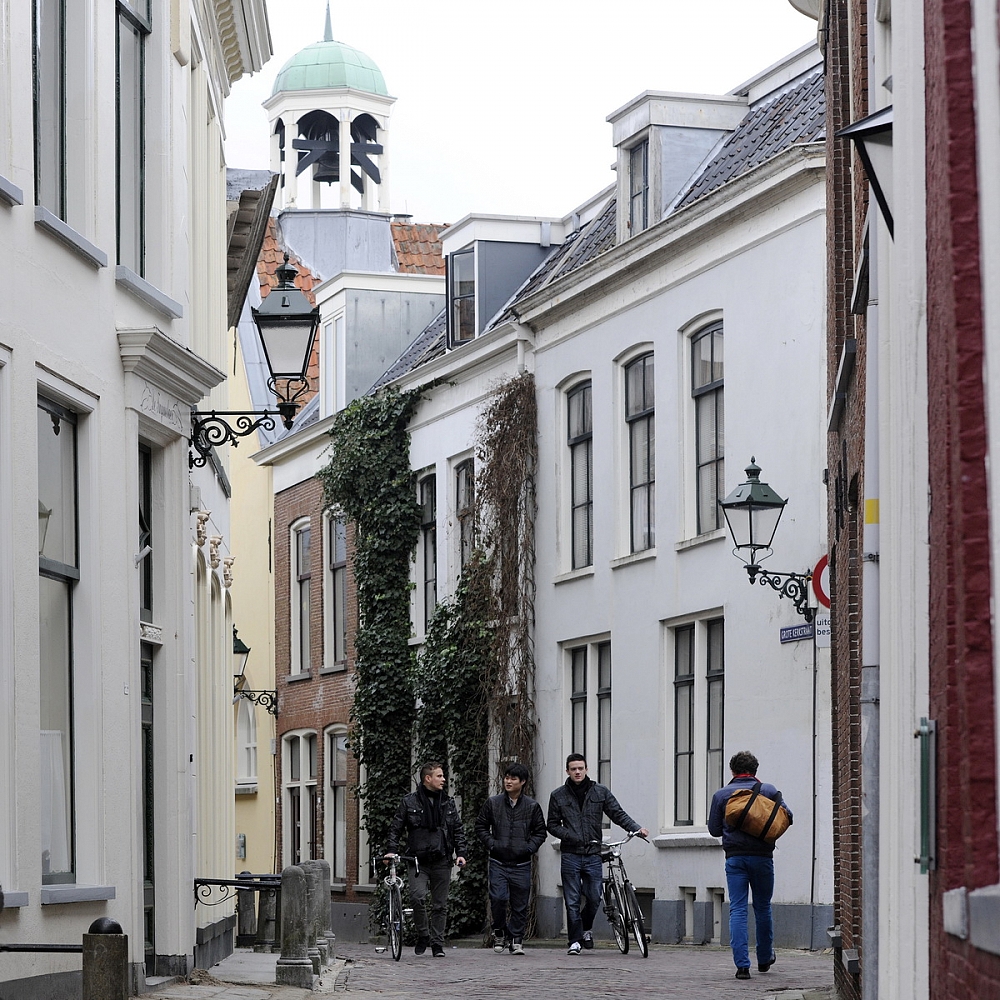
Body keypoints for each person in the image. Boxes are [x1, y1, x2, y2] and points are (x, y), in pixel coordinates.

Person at [547, 753, 649, 954]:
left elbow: (617, 813)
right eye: (573, 769)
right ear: (567, 771)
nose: (577, 772)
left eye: (581, 768)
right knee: (573, 899)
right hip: (570, 855)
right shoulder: (558, 795)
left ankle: (586, 928)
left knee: (594, 897)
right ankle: (575, 941)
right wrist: (570, 836)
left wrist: (637, 829)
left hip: (593, 853)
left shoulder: (600, 792)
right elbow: (551, 824)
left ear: (586, 769)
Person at [708, 750, 793, 980]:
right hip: (763, 858)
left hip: (735, 859)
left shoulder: (721, 795)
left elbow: (714, 830)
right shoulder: (768, 791)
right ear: (755, 771)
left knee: (738, 908)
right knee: (763, 907)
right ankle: (764, 959)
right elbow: (788, 816)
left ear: (733, 771)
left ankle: (742, 966)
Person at [385, 762, 467, 957]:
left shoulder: (448, 802)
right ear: (427, 778)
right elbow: (396, 827)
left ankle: (437, 944)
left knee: (440, 905)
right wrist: (391, 850)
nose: (444, 779)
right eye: (439, 776)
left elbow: (457, 829)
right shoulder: (409, 802)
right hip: (417, 860)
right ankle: (423, 934)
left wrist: (461, 853)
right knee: (417, 897)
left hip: (442, 859)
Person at [474, 762, 548, 956]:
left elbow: (540, 832)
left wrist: (528, 848)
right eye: (506, 777)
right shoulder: (493, 803)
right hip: (498, 861)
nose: (508, 781)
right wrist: (492, 844)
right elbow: (480, 826)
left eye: (513, 778)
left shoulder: (532, 806)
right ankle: (499, 932)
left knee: (520, 903)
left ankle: (516, 939)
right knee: (498, 898)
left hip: (521, 863)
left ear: (522, 782)